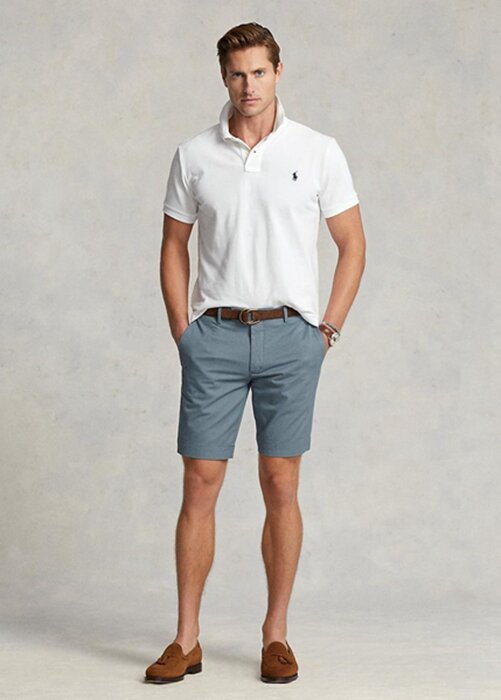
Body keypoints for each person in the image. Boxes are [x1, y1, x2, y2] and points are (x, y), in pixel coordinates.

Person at [144, 21, 366, 685]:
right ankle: (186, 639)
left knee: (280, 482)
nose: (248, 86)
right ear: (224, 77)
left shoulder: (317, 151)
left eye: (259, 72)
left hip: (290, 338)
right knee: (199, 482)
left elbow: (352, 244)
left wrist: (325, 330)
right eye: (237, 74)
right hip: (213, 336)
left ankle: (275, 635)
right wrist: (182, 330)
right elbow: (174, 245)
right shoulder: (193, 155)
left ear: (278, 72)